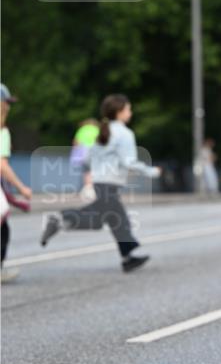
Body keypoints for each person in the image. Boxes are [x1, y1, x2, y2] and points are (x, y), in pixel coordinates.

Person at [40, 94, 161, 272]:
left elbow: (87, 158)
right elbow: (129, 162)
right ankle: (60, 219)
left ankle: (127, 258)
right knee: (105, 220)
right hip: (110, 183)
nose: (130, 112)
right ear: (119, 112)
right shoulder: (125, 134)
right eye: (128, 109)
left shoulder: (101, 131)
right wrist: (151, 171)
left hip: (99, 181)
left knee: (116, 220)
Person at [1, 84, 32, 283]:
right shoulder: (2, 131)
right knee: (2, 229)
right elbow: (1, 164)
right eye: (7, 103)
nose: (9, 107)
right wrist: (22, 188)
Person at [70, 118, 99, 200]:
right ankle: (92, 189)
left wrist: (76, 152)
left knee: (86, 171)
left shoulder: (82, 129)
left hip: (83, 151)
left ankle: (88, 188)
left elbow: (76, 142)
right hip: (94, 151)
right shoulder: (96, 129)